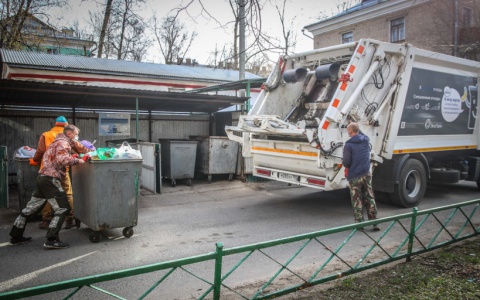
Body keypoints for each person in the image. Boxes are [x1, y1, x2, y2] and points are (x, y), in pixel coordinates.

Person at [10, 125, 91, 249]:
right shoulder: (63, 143)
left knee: (30, 208)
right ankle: (51, 240)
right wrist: (81, 160)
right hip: (50, 179)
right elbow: (63, 160)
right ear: (69, 134)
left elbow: (58, 158)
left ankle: (16, 236)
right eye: (75, 134)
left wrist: (72, 157)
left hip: (42, 178)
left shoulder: (56, 142)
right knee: (63, 207)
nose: (76, 137)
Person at [30, 116, 89, 229]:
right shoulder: (68, 138)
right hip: (62, 170)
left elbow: (40, 151)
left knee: (48, 195)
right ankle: (70, 219)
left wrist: (34, 160)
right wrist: (90, 152)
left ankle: (46, 220)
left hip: (47, 170)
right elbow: (80, 148)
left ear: (55, 124)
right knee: (68, 194)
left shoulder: (46, 134)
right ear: (67, 127)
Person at [342, 122, 379, 231]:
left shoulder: (348, 145)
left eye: (348, 130)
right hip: (366, 174)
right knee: (370, 197)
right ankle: (375, 222)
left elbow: (346, 162)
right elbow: (360, 132)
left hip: (354, 176)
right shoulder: (366, 139)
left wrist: (346, 164)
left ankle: (359, 224)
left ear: (350, 131)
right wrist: (355, 125)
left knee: (357, 200)